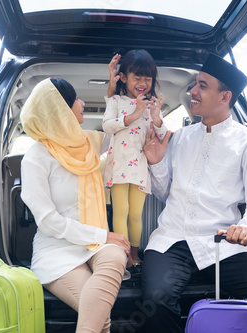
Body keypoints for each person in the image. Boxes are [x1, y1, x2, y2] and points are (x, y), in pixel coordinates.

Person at [140, 53, 247, 332]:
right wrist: (156, 162)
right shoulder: (180, 138)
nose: (192, 92)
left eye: (202, 86)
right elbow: (163, 193)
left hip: (223, 246)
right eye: (195, 84)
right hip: (171, 241)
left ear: (225, 97)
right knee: (155, 301)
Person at [20, 77, 130, 333]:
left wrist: (114, 91)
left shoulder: (88, 142)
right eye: (75, 99)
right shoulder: (35, 158)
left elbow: (120, 128)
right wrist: (104, 235)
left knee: (116, 254)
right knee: (99, 318)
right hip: (58, 250)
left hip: (96, 245)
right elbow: (47, 221)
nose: (82, 103)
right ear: (60, 109)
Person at [102, 50, 167, 270]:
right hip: (119, 167)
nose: (142, 83)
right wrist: (134, 114)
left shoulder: (151, 107)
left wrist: (156, 117)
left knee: (135, 214)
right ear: (124, 78)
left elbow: (160, 135)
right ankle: (123, 255)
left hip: (140, 168)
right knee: (120, 211)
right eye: (136, 77)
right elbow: (107, 126)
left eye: (147, 78)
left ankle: (136, 254)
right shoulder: (116, 101)